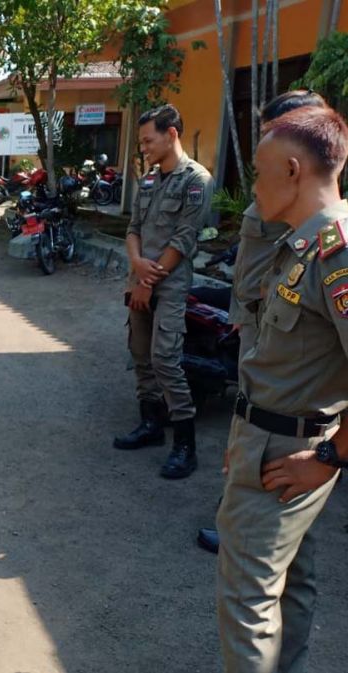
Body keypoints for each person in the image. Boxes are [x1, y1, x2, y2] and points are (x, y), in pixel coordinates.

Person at [216, 104, 348, 673]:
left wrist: (329, 456)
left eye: (260, 172)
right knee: (289, 586)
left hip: (291, 453)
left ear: (293, 170)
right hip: (267, 437)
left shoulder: (337, 251)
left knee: (247, 604)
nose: (254, 186)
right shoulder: (300, 244)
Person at [195, 91, 329, 554]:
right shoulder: (274, 192)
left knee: (272, 432)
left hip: (286, 328)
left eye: (276, 132)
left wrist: (331, 457)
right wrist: (238, 317)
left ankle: (247, 521)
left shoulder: (320, 224)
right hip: (258, 319)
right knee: (249, 420)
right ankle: (239, 510)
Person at [113, 104, 213, 479]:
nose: (143, 148)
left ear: (171, 134)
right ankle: (150, 424)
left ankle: (185, 446)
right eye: (140, 142)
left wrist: (147, 280)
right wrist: (137, 264)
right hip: (139, 280)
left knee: (165, 359)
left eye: (148, 140)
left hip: (168, 285)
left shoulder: (196, 180)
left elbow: (185, 239)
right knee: (139, 355)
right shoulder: (150, 179)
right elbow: (133, 227)